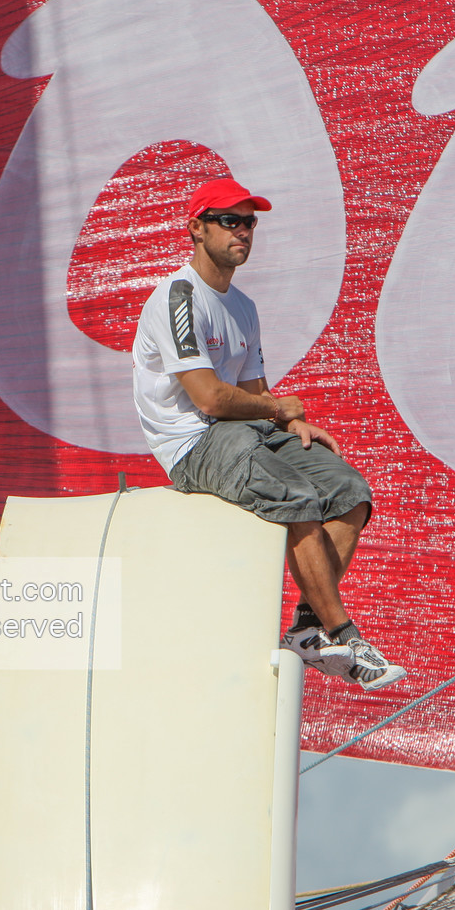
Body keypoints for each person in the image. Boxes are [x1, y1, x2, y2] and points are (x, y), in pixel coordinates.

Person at [131, 177, 405, 692]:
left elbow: (254, 390)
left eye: (250, 222)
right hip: (191, 443)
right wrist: (276, 408)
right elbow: (209, 398)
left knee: (349, 491)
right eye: (229, 221)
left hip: (240, 430)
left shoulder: (243, 307)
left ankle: (306, 628)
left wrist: (292, 421)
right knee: (295, 494)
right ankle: (342, 633)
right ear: (196, 228)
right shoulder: (179, 295)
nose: (243, 232)